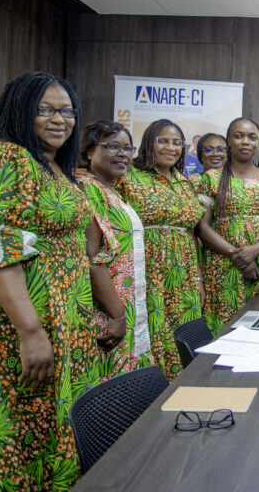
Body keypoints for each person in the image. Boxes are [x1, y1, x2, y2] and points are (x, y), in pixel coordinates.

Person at [0, 71, 95, 489]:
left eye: (67, 111)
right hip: (17, 319)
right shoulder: (4, 159)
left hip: (59, 315)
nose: (59, 120)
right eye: (45, 110)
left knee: (47, 418)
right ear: (19, 110)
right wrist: (30, 332)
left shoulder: (53, 165)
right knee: (19, 420)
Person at [119, 119, 206, 380]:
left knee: (184, 332)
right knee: (154, 331)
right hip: (148, 270)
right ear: (148, 143)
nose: (171, 147)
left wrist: (198, 278)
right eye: (163, 141)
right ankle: (156, 391)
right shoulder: (129, 176)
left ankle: (185, 386)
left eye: (177, 143)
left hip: (183, 275)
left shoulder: (184, 182)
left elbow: (191, 232)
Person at [196, 118, 259, 335]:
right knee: (226, 329)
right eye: (239, 136)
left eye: (252, 137)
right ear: (229, 141)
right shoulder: (211, 178)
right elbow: (202, 226)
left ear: (258, 143)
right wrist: (238, 256)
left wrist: (254, 251)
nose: (245, 142)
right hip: (224, 264)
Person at [77, 120, 153, 377]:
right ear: (89, 152)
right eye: (112, 146)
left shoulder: (112, 191)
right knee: (111, 383)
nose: (122, 154)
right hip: (107, 312)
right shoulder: (89, 190)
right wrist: (118, 316)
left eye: (127, 148)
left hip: (128, 305)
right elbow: (92, 260)